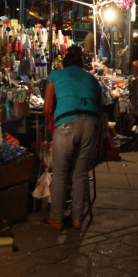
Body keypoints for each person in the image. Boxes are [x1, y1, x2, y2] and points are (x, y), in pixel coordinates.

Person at [42, 46, 102, 230]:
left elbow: (47, 108)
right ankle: (77, 219)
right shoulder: (92, 79)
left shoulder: (56, 75)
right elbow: (99, 108)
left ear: (65, 63)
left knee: (60, 173)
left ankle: (56, 218)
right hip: (91, 124)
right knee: (80, 173)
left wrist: (53, 124)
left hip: (66, 123)